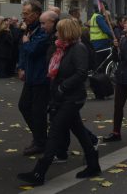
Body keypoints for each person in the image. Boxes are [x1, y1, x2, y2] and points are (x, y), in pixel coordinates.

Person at [17, 19, 101, 186]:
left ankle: (39, 172)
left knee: (54, 132)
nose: (55, 34)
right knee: (79, 131)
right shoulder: (62, 48)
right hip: (62, 97)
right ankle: (93, 164)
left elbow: (81, 73)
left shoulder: (78, 48)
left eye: (59, 31)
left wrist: (63, 87)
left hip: (72, 98)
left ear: (66, 32)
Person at [18, 1, 54, 156]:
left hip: (41, 77)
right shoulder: (30, 29)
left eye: (26, 13)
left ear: (36, 14)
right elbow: (24, 52)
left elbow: (32, 50)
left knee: (38, 111)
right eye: (23, 13)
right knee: (24, 106)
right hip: (30, 76)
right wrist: (21, 67)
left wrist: (26, 43)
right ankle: (40, 136)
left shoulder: (42, 31)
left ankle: (41, 141)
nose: (23, 16)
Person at [87, 8, 114, 73]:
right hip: (101, 42)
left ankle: (96, 73)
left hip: (95, 42)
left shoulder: (94, 16)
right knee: (103, 61)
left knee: (99, 61)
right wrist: (114, 37)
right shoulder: (99, 17)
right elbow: (106, 30)